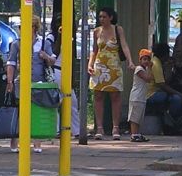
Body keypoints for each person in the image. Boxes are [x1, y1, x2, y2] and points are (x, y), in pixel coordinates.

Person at [88, 7, 133, 140]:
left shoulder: (118, 30)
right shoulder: (96, 31)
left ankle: (115, 127)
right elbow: (94, 50)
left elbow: (124, 45)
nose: (102, 19)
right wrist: (90, 64)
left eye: (104, 17)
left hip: (114, 65)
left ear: (111, 17)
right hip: (99, 65)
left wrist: (130, 61)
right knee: (98, 95)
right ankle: (99, 128)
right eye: (100, 17)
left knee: (115, 96)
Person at [6, 15, 47, 153]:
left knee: (37, 110)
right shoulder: (17, 44)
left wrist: (46, 56)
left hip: (39, 81)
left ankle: (37, 143)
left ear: (34, 28)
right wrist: (10, 81)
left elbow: (52, 60)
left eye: (23, 26)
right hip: (21, 81)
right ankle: (15, 142)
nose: (20, 29)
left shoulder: (43, 43)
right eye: (20, 27)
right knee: (20, 111)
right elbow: (11, 63)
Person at [147, 42, 182, 135]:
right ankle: (180, 123)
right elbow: (162, 84)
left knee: (178, 100)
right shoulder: (156, 64)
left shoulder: (159, 63)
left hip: (159, 92)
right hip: (152, 94)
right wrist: (179, 94)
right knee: (177, 99)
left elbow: (175, 79)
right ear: (164, 55)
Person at [44, 18, 80, 137]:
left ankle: (75, 130)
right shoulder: (52, 38)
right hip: (57, 71)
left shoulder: (70, 38)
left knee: (71, 102)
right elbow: (53, 54)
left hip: (65, 72)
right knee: (57, 101)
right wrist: (59, 37)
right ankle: (57, 130)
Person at [128, 49, 154, 142]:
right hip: (136, 97)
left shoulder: (144, 69)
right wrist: (150, 68)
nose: (146, 61)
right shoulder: (139, 69)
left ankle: (137, 133)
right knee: (135, 117)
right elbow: (148, 78)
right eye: (144, 59)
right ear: (140, 60)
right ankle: (134, 134)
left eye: (148, 59)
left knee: (139, 117)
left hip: (141, 97)